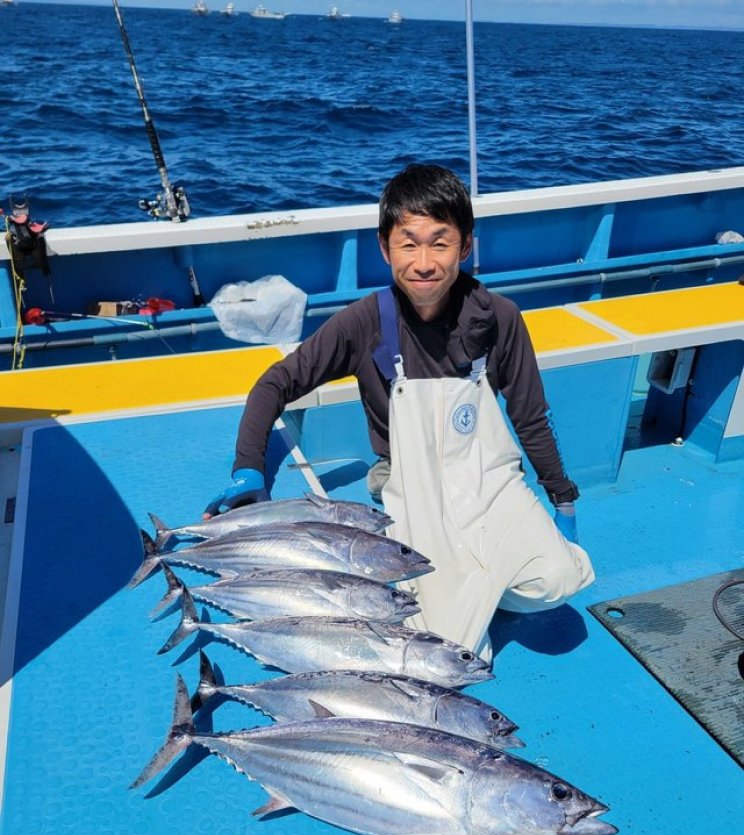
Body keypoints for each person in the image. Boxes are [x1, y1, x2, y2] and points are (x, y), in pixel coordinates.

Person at [203, 164, 594, 660]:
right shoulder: (365, 323)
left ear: (466, 246)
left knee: (558, 578)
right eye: (409, 244)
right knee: (448, 649)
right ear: (385, 248)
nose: (425, 262)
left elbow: (530, 416)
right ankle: (464, 585)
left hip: (487, 478)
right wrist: (248, 468)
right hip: (409, 483)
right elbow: (275, 383)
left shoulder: (499, 318)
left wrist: (563, 501)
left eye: (440, 242)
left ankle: (475, 582)